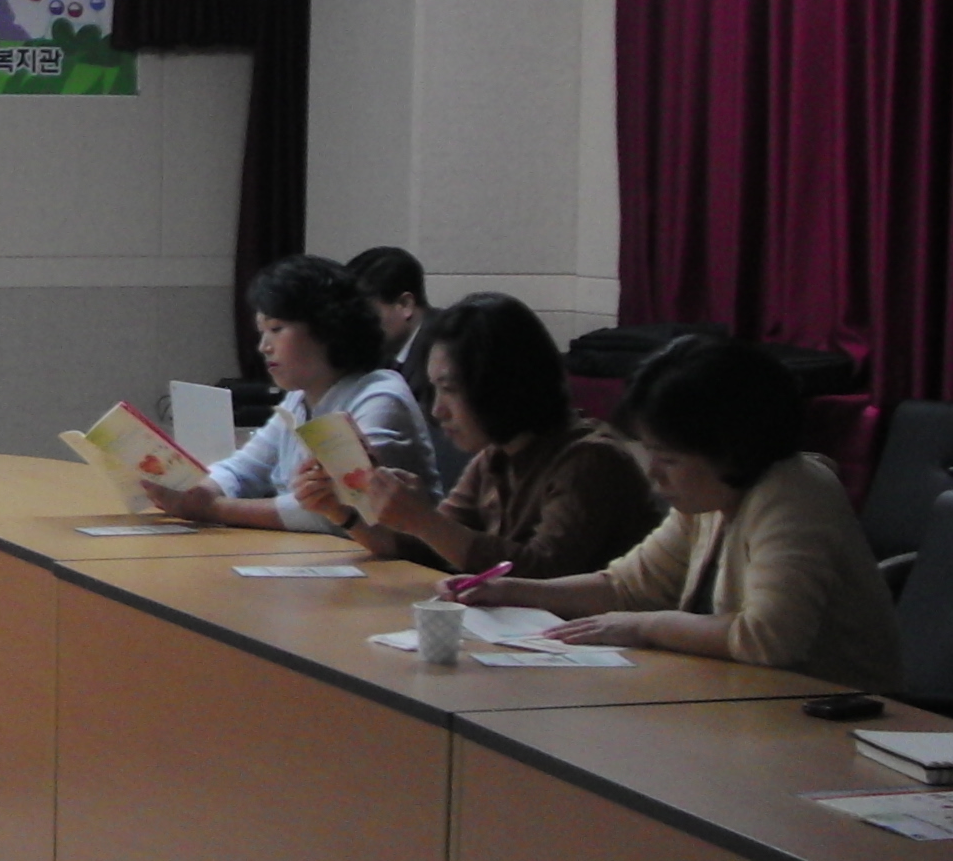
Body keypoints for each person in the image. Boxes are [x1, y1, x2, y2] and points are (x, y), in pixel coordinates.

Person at [455, 335, 903, 688]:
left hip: (838, 714)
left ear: (729, 449)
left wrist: (645, 627)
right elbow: (625, 587)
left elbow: (767, 639)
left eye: (668, 459)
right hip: (750, 702)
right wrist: (510, 590)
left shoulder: (795, 492)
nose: (653, 473)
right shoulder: (709, 498)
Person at [326, 293, 662, 579]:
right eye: (434, 390)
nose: (437, 410)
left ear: (501, 384)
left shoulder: (591, 460)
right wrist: (345, 513)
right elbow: (430, 549)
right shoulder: (495, 456)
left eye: (450, 390)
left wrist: (424, 521)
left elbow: (544, 572)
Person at [143, 255, 434, 532]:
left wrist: (212, 509)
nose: (264, 347)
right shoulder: (300, 399)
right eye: (262, 332)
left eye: (276, 328)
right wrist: (199, 492)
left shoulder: (379, 397)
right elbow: (243, 469)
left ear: (328, 327)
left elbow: (336, 511)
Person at [348, 245, 468, 491]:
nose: (356, 327)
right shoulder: (384, 354)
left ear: (405, 305)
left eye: (364, 313)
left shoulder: (448, 347)